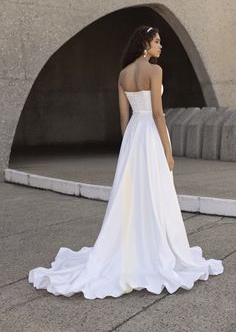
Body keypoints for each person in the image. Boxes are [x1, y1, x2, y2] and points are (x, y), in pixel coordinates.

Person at [28, 25, 224, 299]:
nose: (161, 46)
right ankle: (155, 249)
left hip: (133, 135)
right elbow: (157, 113)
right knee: (155, 192)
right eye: (157, 41)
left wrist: (129, 146)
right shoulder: (155, 71)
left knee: (131, 195)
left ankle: (130, 247)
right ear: (145, 43)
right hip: (151, 135)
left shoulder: (123, 74)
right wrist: (168, 151)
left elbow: (123, 118)